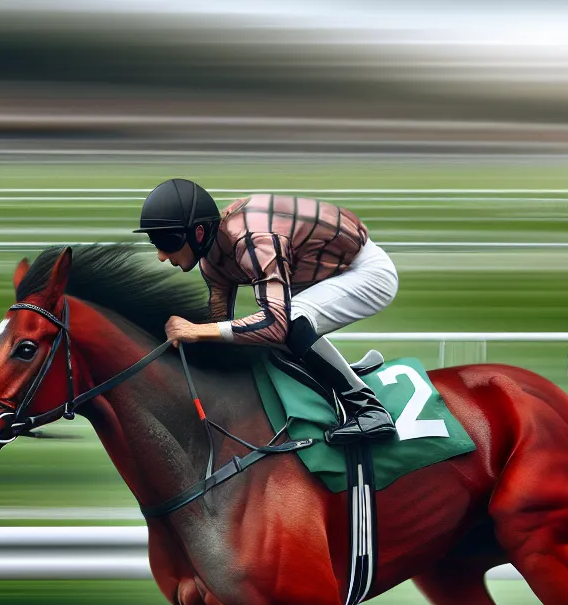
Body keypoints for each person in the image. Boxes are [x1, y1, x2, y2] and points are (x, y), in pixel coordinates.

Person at [134, 178, 399, 444]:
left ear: (199, 233)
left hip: (365, 272)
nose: (160, 255)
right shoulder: (212, 258)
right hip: (322, 268)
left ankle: (369, 410)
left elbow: (276, 325)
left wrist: (196, 330)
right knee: (265, 337)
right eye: (154, 241)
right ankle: (341, 375)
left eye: (166, 241)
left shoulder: (253, 241)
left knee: (291, 322)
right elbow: (220, 326)